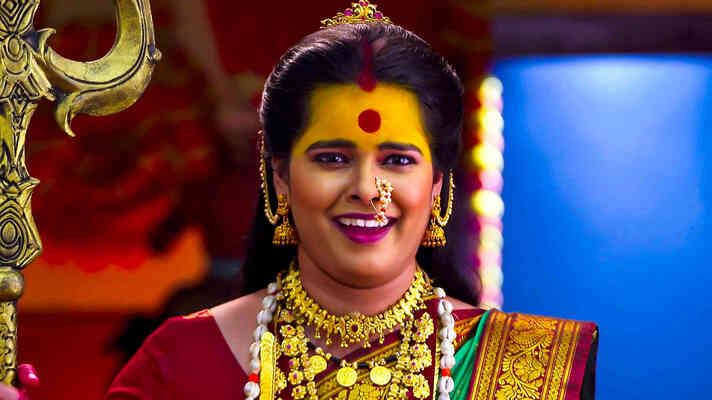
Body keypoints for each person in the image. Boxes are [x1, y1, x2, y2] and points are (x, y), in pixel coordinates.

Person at [1, 2, 598, 399]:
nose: (367, 187)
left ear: (437, 185)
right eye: (332, 158)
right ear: (281, 179)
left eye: (397, 159)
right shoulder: (181, 365)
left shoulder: (529, 367)